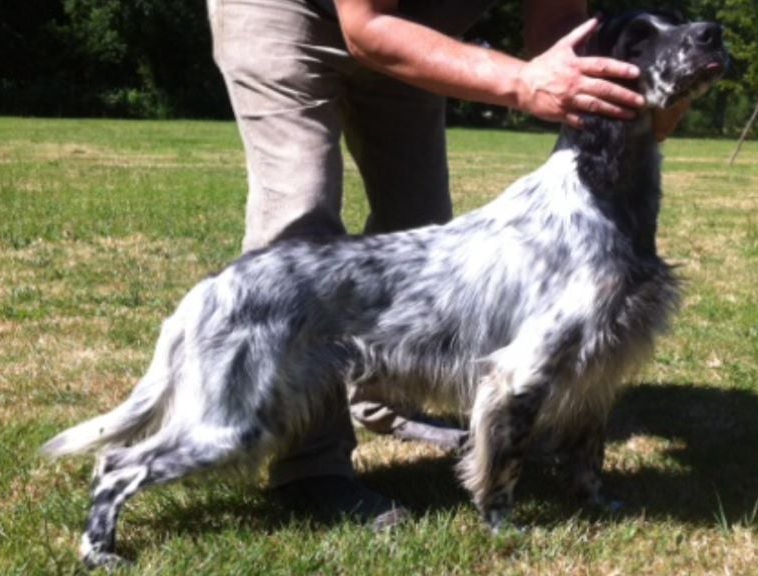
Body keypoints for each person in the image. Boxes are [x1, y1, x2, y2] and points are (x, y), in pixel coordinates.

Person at [207, 0, 687, 528]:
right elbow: (367, 27)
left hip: (418, 30)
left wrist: (620, 90)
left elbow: (561, 31)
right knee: (301, 225)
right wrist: (524, 82)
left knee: (420, 226)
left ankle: (386, 401)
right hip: (289, 13)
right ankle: (310, 467)